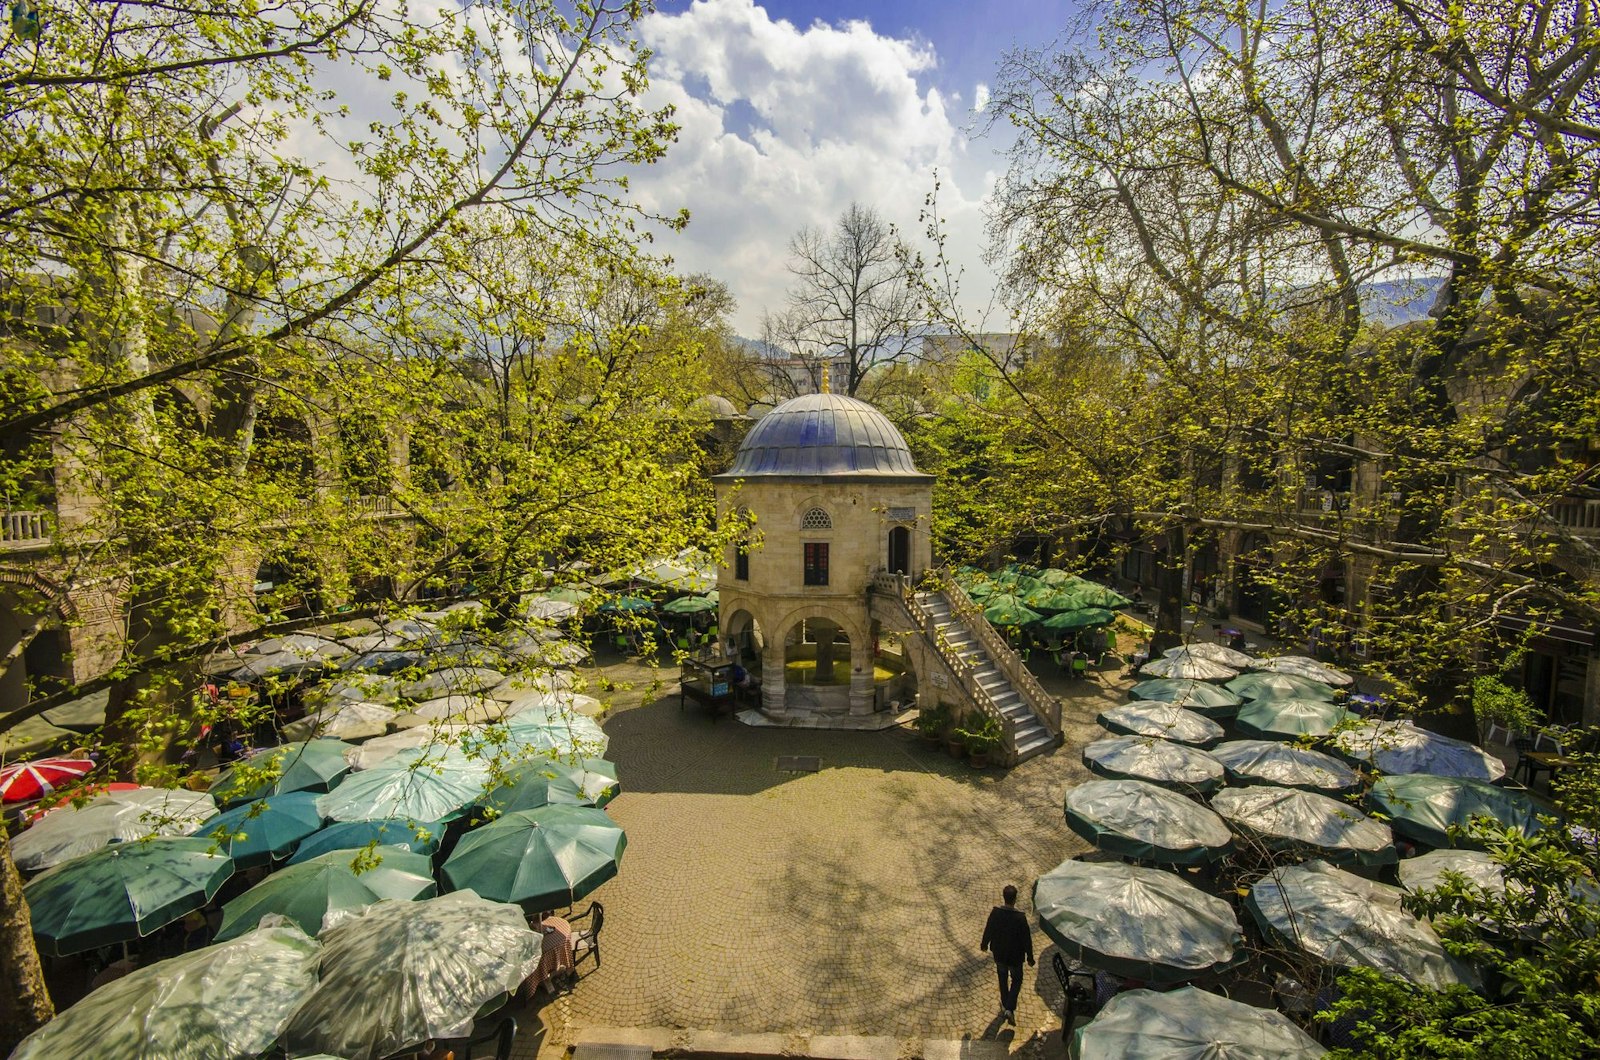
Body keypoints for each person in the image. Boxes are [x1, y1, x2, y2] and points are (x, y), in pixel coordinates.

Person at [979, 883, 1034, 1025]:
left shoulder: (996, 913)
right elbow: (1026, 939)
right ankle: (1009, 1008)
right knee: (1017, 980)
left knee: (1002, 979)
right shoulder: (1020, 918)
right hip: (1015, 957)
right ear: (1015, 899)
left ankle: (1006, 1005)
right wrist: (1030, 957)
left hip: (1000, 954)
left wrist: (984, 944)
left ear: (1003, 897)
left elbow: (989, 929)